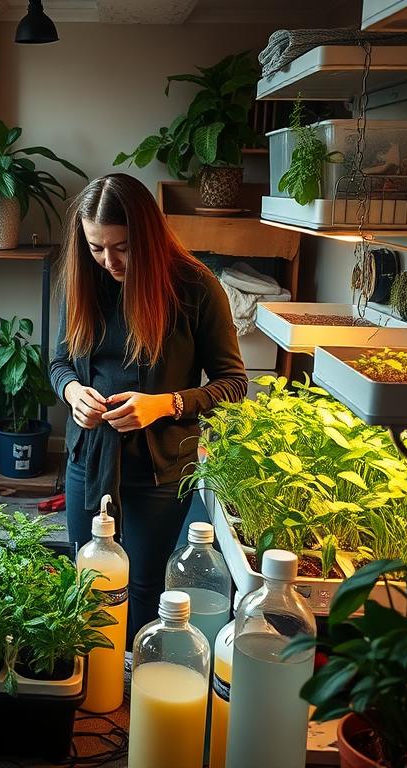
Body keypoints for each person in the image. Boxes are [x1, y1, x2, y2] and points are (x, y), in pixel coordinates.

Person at [50, 173, 247, 638]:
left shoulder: (195, 288)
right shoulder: (85, 279)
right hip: (89, 457)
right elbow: (59, 362)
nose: (108, 261)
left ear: (148, 236)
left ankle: (135, 685)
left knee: (142, 588)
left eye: (121, 247)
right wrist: (74, 393)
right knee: (88, 582)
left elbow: (233, 383)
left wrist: (165, 404)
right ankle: (89, 688)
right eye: (96, 247)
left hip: (160, 469)